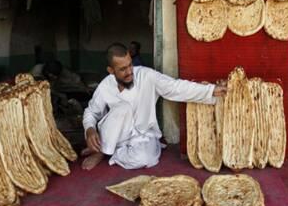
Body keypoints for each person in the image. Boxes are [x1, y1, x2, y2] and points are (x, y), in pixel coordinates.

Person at [81, 42, 227, 170]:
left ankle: (109, 150)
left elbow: (176, 88)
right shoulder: (106, 85)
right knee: (122, 108)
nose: (130, 72)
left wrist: (210, 90)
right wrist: (89, 129)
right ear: (111, 71)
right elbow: (91, 112)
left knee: (147, 159)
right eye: (123, 69)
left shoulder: (146, 76)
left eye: (130, 65)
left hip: (142, 136)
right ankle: (101, 151)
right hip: (116, 134)